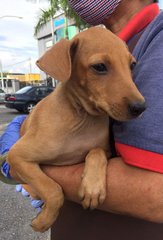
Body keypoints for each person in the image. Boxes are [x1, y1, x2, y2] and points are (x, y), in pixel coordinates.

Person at [1, 0, 163, 239]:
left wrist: (41, 180)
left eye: (130, 67)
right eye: (100, 67)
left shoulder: (156, 38)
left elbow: (154, 193)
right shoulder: (111, 42)